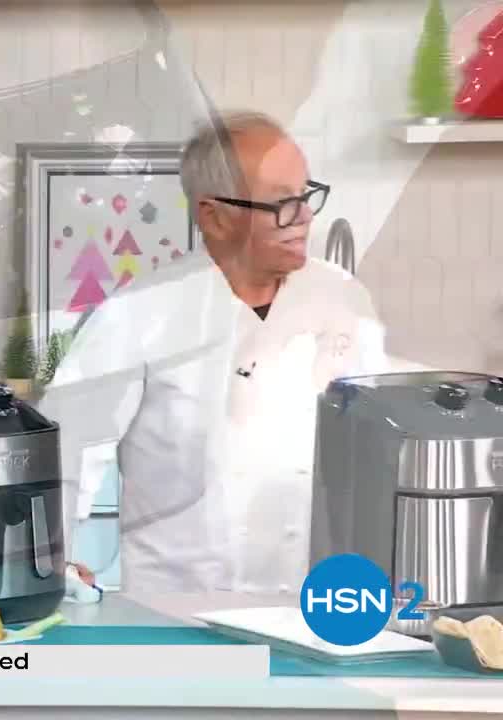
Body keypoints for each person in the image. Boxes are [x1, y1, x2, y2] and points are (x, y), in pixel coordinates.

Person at [40, 110, 388, 595]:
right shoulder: (142, 311)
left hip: (317, 606)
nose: (304, 216)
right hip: (176, 615)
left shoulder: (343, 297)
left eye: (305, 195)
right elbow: (67, 448)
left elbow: (382, 448)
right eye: (281, 204)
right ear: (214, 215)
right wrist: (54, 563)